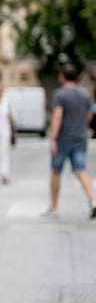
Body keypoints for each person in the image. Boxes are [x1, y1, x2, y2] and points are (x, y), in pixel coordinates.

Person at [43, 63, 96, 219]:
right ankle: (93, 200)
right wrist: (81, 126)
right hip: (80, 137)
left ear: (62, 77)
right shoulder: (84, 94)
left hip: (63, 139)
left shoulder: (60, 94)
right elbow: (89, 115)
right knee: (81, 169)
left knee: (56, 171)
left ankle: (54, 207)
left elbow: (57, 116)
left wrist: (53, 138)